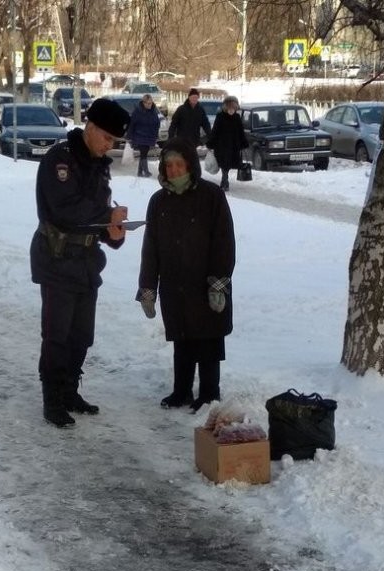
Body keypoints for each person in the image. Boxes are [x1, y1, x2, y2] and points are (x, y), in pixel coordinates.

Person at [30, 98, 132, 428]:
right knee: (57, 334)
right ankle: (53, 398)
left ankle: (70, 390)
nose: (109, 146)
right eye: (106, 139)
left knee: (81, 335)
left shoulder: (97, 166)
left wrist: (114, 233)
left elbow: (96, 218)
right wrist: (106, 216)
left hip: (86, 263)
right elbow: (67, 209)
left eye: (114, 142)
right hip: (58, 260)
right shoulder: (61, 161)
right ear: (90, 129)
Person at [136, 137, 236, 413]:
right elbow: (151, 248)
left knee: (207, 338)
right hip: (173, 284)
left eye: (179, 164)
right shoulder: (159, 202)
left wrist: (219, 282)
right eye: (168, 165)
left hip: (205, 284)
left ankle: (208, 392)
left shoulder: (211, 196)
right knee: (182, 338)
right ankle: (181, 391)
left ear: (190, 165)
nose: (174, 170)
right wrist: (147, 287)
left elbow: (224, 242)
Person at [207, 95, 248, 191]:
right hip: (222, 146)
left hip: (234, 146)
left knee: (229, 164)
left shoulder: (237, 118)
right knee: (224, 163)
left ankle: (225, 179)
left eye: (233, 107)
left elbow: (241, 132)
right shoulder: (220, 117)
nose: (231, 110)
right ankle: (224, 180)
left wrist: (244, 143)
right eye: (229, 107)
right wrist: (210, 143)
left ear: (236, 108)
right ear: (226, 107)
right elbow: (215, 131)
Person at [126, 94, 161, 178]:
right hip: (139, 135)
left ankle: (140, 172)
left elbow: (157, 123)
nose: (150, 105)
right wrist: (129, 136)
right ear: (144, 103)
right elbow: (132, 124)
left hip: (149, 135)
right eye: (148, 103)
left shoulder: (153, 111)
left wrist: (156, 134)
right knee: (143, 152)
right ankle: (146, 171)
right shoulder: (138, 111)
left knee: (144, 153)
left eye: (151, 103)